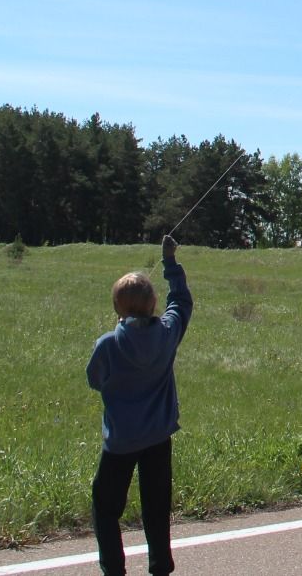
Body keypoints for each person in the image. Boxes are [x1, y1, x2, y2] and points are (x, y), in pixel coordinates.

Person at [88, 235, 193, 576]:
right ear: (152, 304)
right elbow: (181, 303)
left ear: (118, 307)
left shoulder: (107, 345)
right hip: (158, 439)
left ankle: (113, 570)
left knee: (106, 508)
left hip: (119, 442)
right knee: (156, 507)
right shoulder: (166, 333)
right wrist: (170, 261)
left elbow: (94, 379)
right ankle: (160, 567)